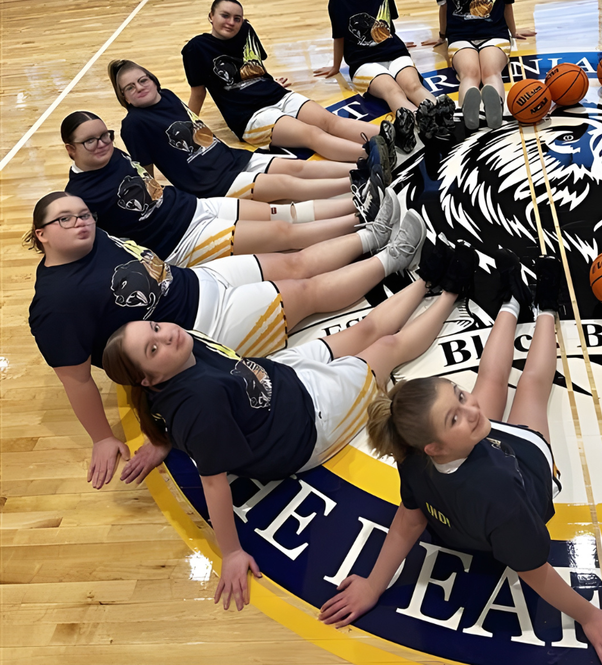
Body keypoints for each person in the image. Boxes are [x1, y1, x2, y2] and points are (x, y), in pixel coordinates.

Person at [102, 244, 478, 612]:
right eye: (153, 349)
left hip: (284, 377)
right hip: (309, 422)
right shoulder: (200, 406)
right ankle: (450, 292)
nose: (165, 335)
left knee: (367, 329)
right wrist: (231, 552)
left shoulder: (178, 351)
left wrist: (161, 440)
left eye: (155, 327)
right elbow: (213, 483)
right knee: (389, 346)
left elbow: (157, 407)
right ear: (150, 378)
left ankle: (425, 280)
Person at [319, 258, 602, 665]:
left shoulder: (426, 453)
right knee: (531, 386)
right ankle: (541, 307)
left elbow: (526, 565)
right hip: (507, 459)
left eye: (459, 395)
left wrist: (588, 616)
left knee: (493, 380)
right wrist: (373, 585)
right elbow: (413, 518)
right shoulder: (457, 476)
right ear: (429, 448)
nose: (471, 412)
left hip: (518, 457)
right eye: (455, 416)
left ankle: (521, 302)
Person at [26, 191, 425, 490]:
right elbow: (76, 379)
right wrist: (102, 437)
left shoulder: (92, 240)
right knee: (308, 290)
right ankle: (397, 258)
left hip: (198, 281)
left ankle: (374, 237)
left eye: (83, 213)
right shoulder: (55, 306)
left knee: (293, 259)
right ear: (41, 234)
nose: (81, 222)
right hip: (202, 326)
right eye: (66, 219)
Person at [61, 110, 366, 270]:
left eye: (105, 135)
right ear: (70, 149)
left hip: (195, 207)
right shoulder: (78, 198)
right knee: (284, 234)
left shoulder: (115, 155)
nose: (102, 144)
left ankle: (361, 201)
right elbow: (102, 249)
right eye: (91, 140)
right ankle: (366, 232)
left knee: (286, 213)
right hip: (182, 242)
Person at [109, 59, 354, 206]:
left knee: (295, 166)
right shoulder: (134, 124)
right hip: (210, 183)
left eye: (142, 80)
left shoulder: (169, 96)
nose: (139, 88)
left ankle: (362, 167)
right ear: (124, 98)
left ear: (153, 80)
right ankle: (357, 184)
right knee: (287, 185)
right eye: (129, 88)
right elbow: (145, 171)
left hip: (230, 158)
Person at [182, 0, 383, 163]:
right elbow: (198, 94)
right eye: (225, 16)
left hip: (277, 95)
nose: (231, 22)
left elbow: (255, 67)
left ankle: (396, 136)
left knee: (330, 121)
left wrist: (267, 82)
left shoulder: (246, 30)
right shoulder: (196, 48)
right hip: (250, 116)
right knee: (312, 135)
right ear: (211, 16)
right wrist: (192, 129)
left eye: (237, 18)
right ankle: (376, 158)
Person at [314, 0, 431, 153]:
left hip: (394, 52)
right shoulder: (337, 1)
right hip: (363, 63)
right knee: (393, 91)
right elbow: (339, 36)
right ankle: (415, 126)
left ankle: (444, 116)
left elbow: (388, 27)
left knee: (413, 86)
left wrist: (400, 43)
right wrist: (335, 65)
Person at [428, 0, 534, 130]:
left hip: (494, 33)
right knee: (470, 73)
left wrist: (513, 31)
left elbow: (506, 4)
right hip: (460, 36)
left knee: (490, 72)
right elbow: (444, 8)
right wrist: (442, 35)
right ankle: (470, 111)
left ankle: (496, 109)